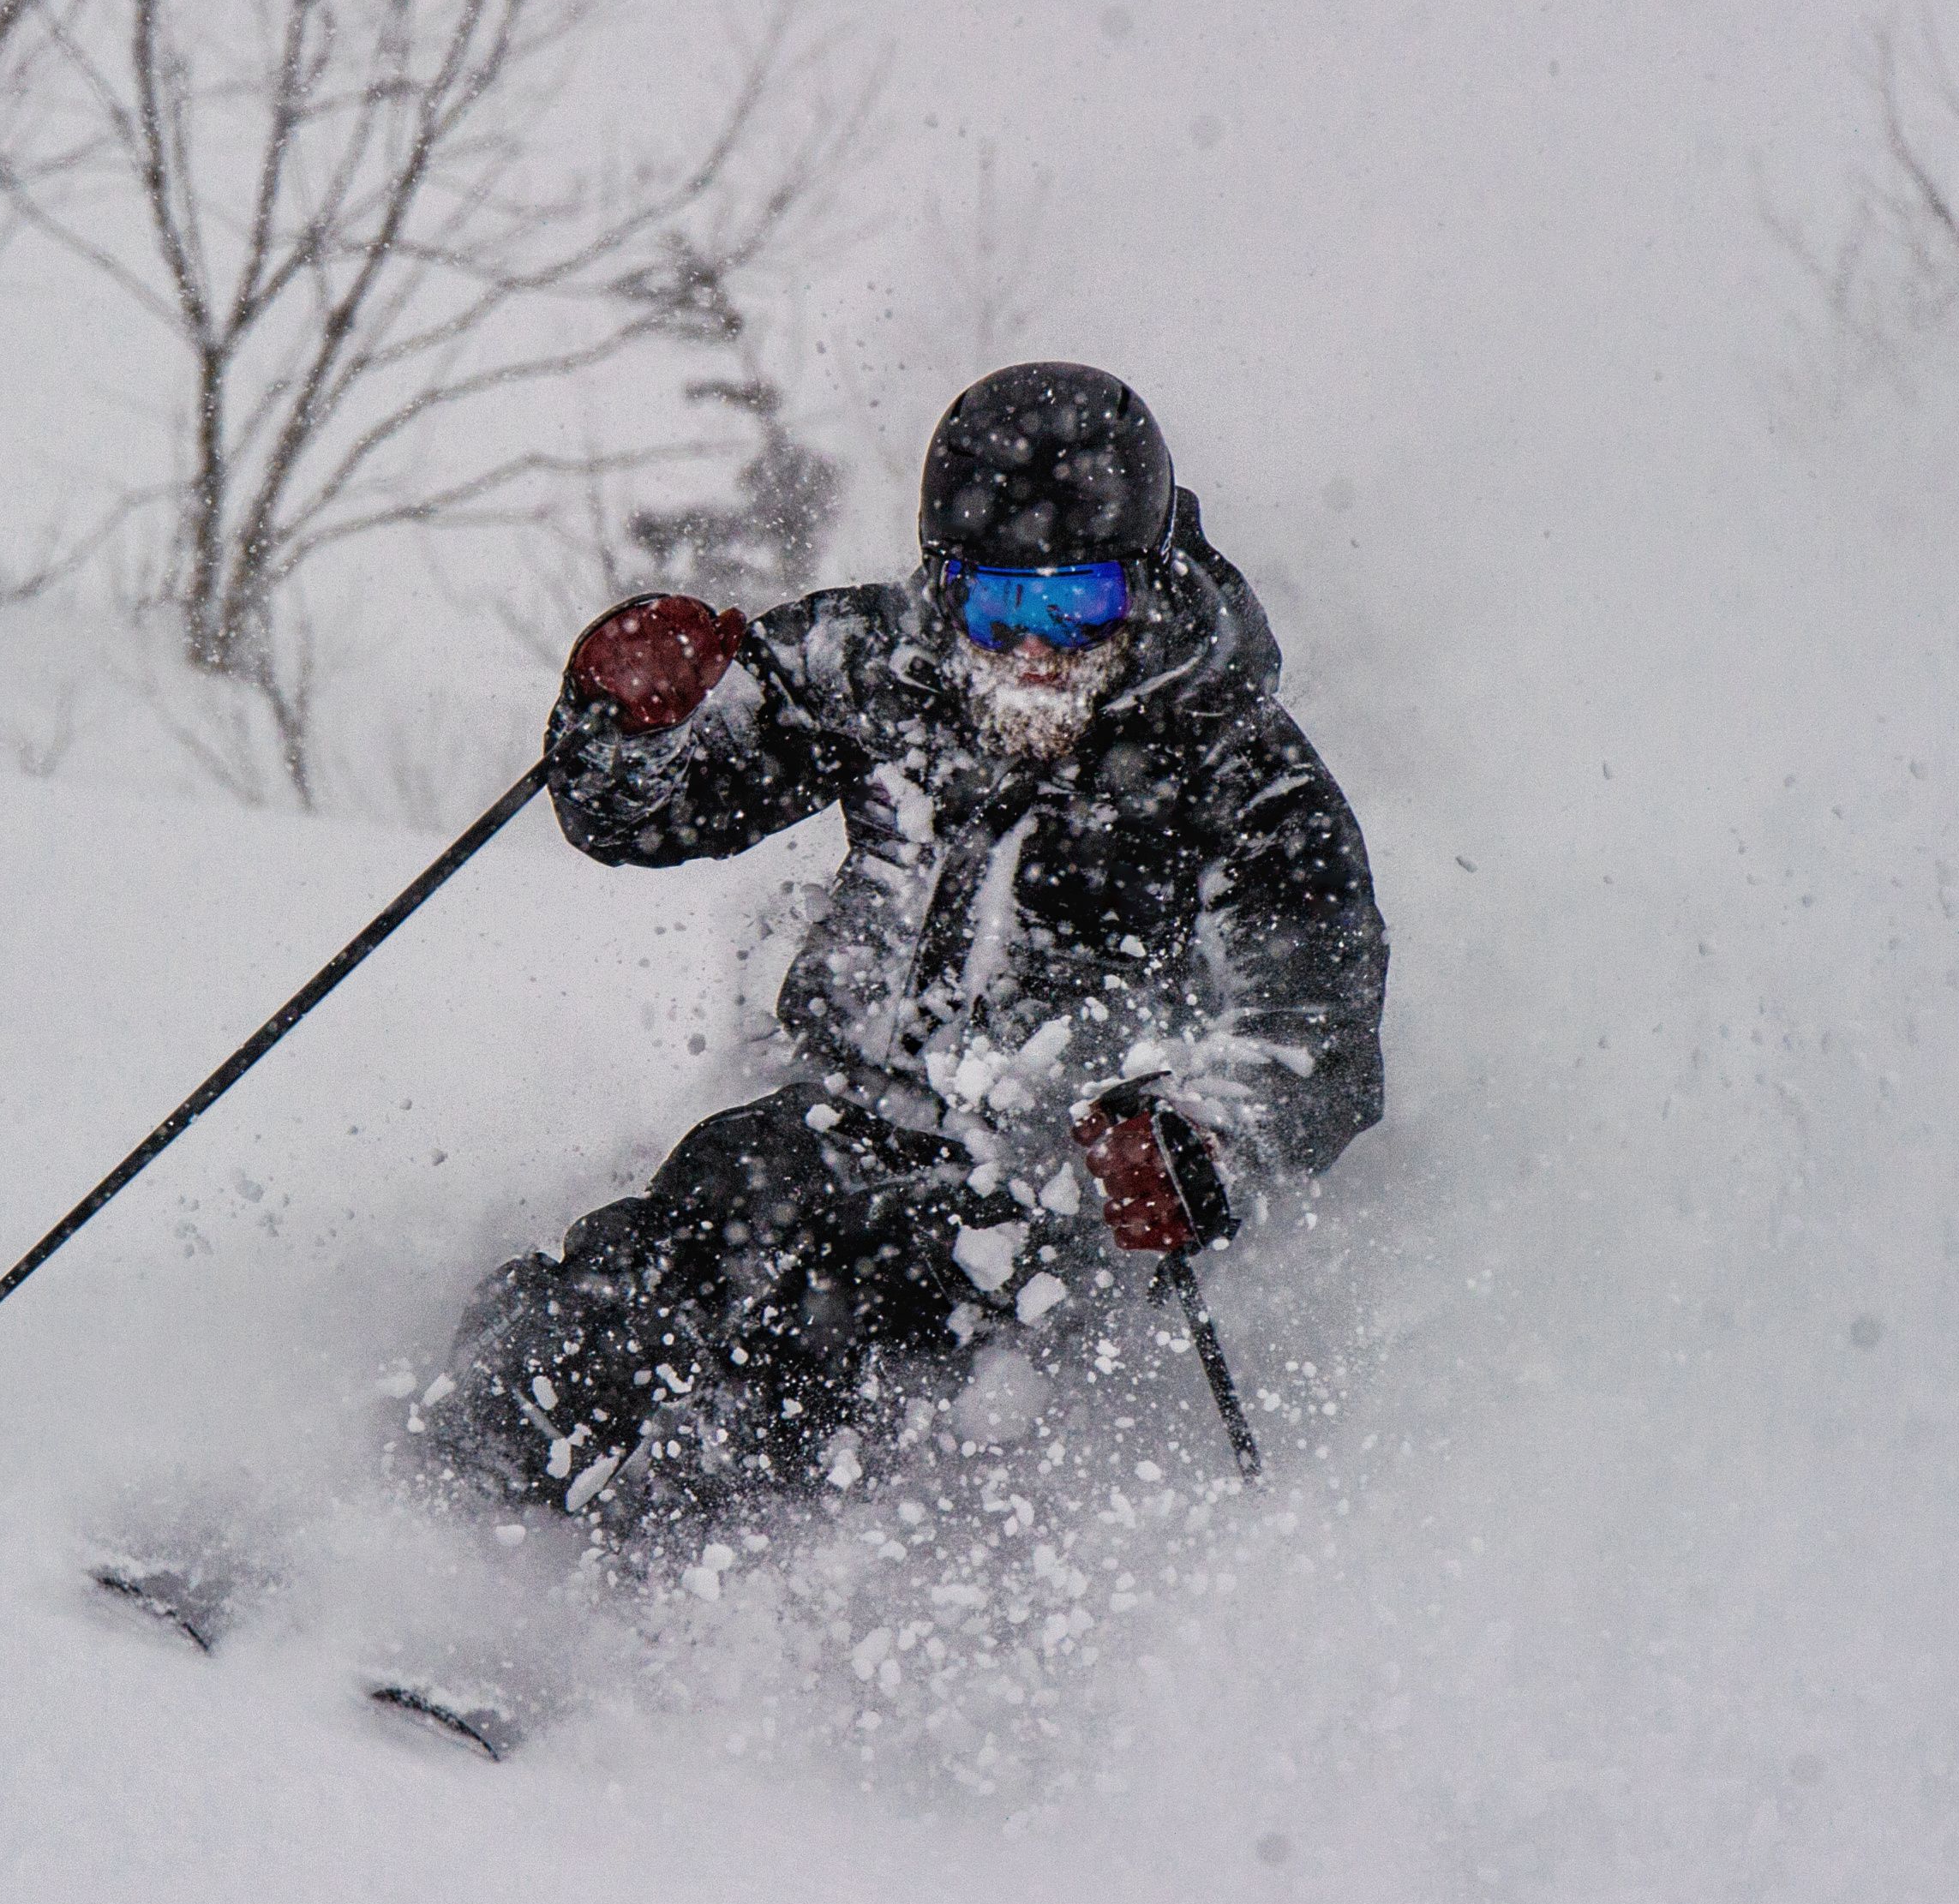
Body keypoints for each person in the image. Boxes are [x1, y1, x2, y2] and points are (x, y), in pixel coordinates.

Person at [403, 362, 1388, 1535]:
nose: (1033, 653)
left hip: (1049, 1195)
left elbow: (1313, 1043)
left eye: (1075, 608)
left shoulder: (1243, 777)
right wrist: (623, 716)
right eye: (995, 610)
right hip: (829, 1121)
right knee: (657, 1269)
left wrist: (1197, 1140)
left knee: (822, 1333)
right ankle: (414, 1538)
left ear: (1148, 583)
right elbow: (645, 812)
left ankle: (670, 1635)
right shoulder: (882, 671)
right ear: (942, 588)